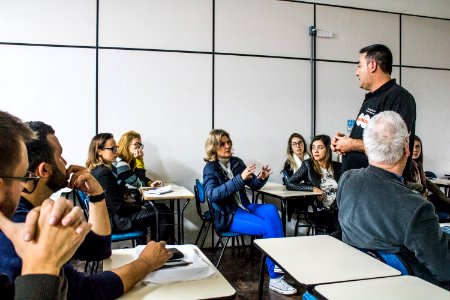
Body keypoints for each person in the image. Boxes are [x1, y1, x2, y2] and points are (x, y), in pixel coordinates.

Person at [337, 111, 450, 289]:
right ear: (406, 147)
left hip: (361, 281)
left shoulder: (348, 180)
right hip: (412, 287)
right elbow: (444, 269)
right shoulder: (416, 207)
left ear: (367, 147)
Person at [0, 110, 91, 299]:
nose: (24, 186)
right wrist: (42, 267)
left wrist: (97, 196)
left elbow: (98, 249)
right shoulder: (21, 225)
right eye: (22, 177)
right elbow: (84, 289)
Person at [202, 129, 296, 295]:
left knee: (271, 209)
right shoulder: (210, 168)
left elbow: (254, 185)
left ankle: (279, 264)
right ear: (214, 147)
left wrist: (261, 177)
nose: (227, 146)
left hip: (244, 205)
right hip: (228, 213)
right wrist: (239, 179)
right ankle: (275, 278)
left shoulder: (237, 162)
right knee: (267, 227)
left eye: (228, 142)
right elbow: (213, 195)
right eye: (222, 144)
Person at [24, 121, 111, 262]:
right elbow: (83, 284)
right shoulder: (28, 220)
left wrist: (96, 195)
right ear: (44, 169)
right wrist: (145, 263)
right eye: (59, 156)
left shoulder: (42, 208)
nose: (65, 162)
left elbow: (99, 250)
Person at [331, 44, 416, 180]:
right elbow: (372, 139)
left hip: (380, 188)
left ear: (372, 66)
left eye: (359, 66)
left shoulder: (398, 97)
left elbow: (393, 148)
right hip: (358, 185)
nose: (356, 72)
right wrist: (344, 142)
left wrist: (351, 144)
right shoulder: (372, 98)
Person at [86, 133, 160, 243]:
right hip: (116, 221)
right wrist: (140, 208)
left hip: (114, 217)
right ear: (99, 151)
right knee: (160, 213)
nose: (116, 151)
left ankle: (152, 249)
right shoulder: (103, 173)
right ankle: (162, 250)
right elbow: (118, 207)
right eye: (112, 149)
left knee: (157, 210)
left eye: (116, 147)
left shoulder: (103, 169)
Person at [114, 130, 173, 242]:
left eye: (141, 145)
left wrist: (150, 183)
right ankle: (158, 247)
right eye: (137, 145)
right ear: (126, 145)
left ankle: (153, 245)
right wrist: (140, 160)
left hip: (124, 206)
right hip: (120, 215)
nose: (140, 148)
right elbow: (139, 183)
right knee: (162, 211)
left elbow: (138, 177)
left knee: (158, 208)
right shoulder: (121, 164)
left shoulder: (126, 162)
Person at [286, 135, 342, 233]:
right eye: (313, 147)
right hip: (319, 210)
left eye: (320, 147)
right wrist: (312, 189)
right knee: (337, 229)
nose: (315, 151)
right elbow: (290, 184)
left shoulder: (338, 166)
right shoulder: (308, 165)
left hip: (339, 209)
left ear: (328, 149)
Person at [409, 135, 450, 212]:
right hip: (417, 203)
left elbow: (429, 183)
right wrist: (422, 189)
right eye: (412, 146)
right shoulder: (408, 165)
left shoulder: (418, 165)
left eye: (418, 146)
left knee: (440, 198)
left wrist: (445, 198)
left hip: (423, 199)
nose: (415, 149)